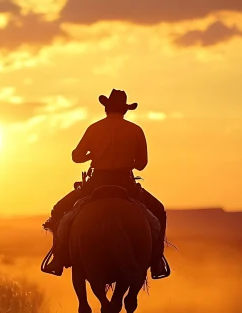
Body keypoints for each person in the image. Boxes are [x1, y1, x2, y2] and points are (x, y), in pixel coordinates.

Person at [42, 89, 170, 279]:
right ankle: (157, 261)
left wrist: (92, 155)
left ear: (106, 109)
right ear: (125, 110)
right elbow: (142, 164)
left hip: (95, 184)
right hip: (126, 184)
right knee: (158, 212)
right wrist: (126, 160)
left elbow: (76, 157)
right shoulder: (135, 130)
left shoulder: (94, 128)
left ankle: (58, 259)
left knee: (59, 210)